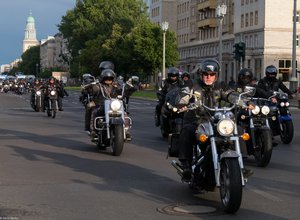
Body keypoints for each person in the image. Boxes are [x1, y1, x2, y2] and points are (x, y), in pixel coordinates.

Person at [175, 59, 255, 181]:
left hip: (214, 119)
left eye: (212, 74)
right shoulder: (192, 85)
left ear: (216, 75)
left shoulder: (220, 86)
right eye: (206, 74)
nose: (208, 77)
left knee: (238, 130)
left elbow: (231, 95)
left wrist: (245, 102)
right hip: (196, 119)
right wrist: (182, 103)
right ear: (201, 74)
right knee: (187, 131)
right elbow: (183, 94)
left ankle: (241, 165)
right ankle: (186, 166)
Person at [89, 68, 122, 140]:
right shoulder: (99, 85)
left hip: (113, 106)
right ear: (103, 78)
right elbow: (94, 90)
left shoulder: (115, 86)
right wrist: (92, 87)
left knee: (123, 112)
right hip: (101, 105)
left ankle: (125, 129)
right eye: (106, 78)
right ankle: (93, 130)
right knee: (94, 112)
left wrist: (128, 88)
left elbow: (122, 91)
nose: (108, 79)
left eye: (110, 78)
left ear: (113, 78)